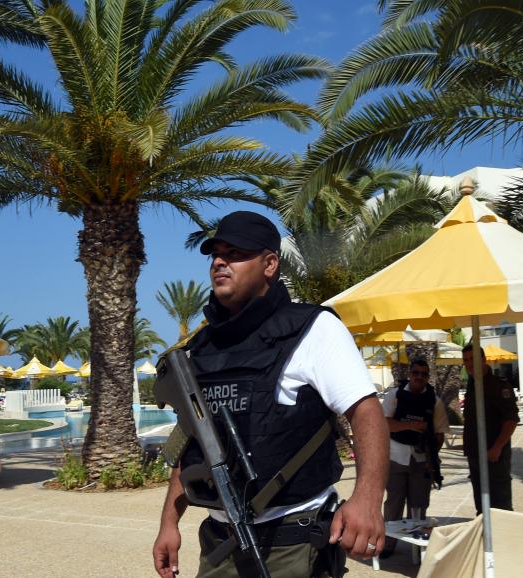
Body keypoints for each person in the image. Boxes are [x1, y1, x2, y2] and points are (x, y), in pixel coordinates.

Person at [152, 211, 389, 578]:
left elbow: (366, 411)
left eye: (234, 253)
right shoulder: (200, 347)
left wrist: (368, 499)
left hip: (292, 543)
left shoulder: (314, 329)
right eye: (215, 253)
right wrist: (170, 522)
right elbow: (191, 437)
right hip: (218, 543)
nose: (219, 262)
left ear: (270, 264)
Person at [379, 358, 448, 558]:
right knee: (394, 503)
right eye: (416, 373)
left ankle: (416, 546)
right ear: (410, 374)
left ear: (428, 377)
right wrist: (409, 426)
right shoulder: (395, 395)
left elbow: (440, 433)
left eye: (424, 374)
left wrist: (432, 458)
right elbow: (384, 424)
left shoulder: (434, 401)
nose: (419, 377)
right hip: (396, 455)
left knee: (419, 505)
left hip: (421, 459)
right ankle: (388, 544)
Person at [462, 345, 519, 514]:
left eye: (473, 359)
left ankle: (502, 539)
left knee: (500, 504)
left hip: (494, 456)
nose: (469, 363)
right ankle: (485, 537)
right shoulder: (472, 384)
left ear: (483, 359)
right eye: (466, 360)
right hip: (475, 454)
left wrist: (497, 447)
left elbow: (511, 419)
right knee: (481, 504)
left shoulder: (498, 386)